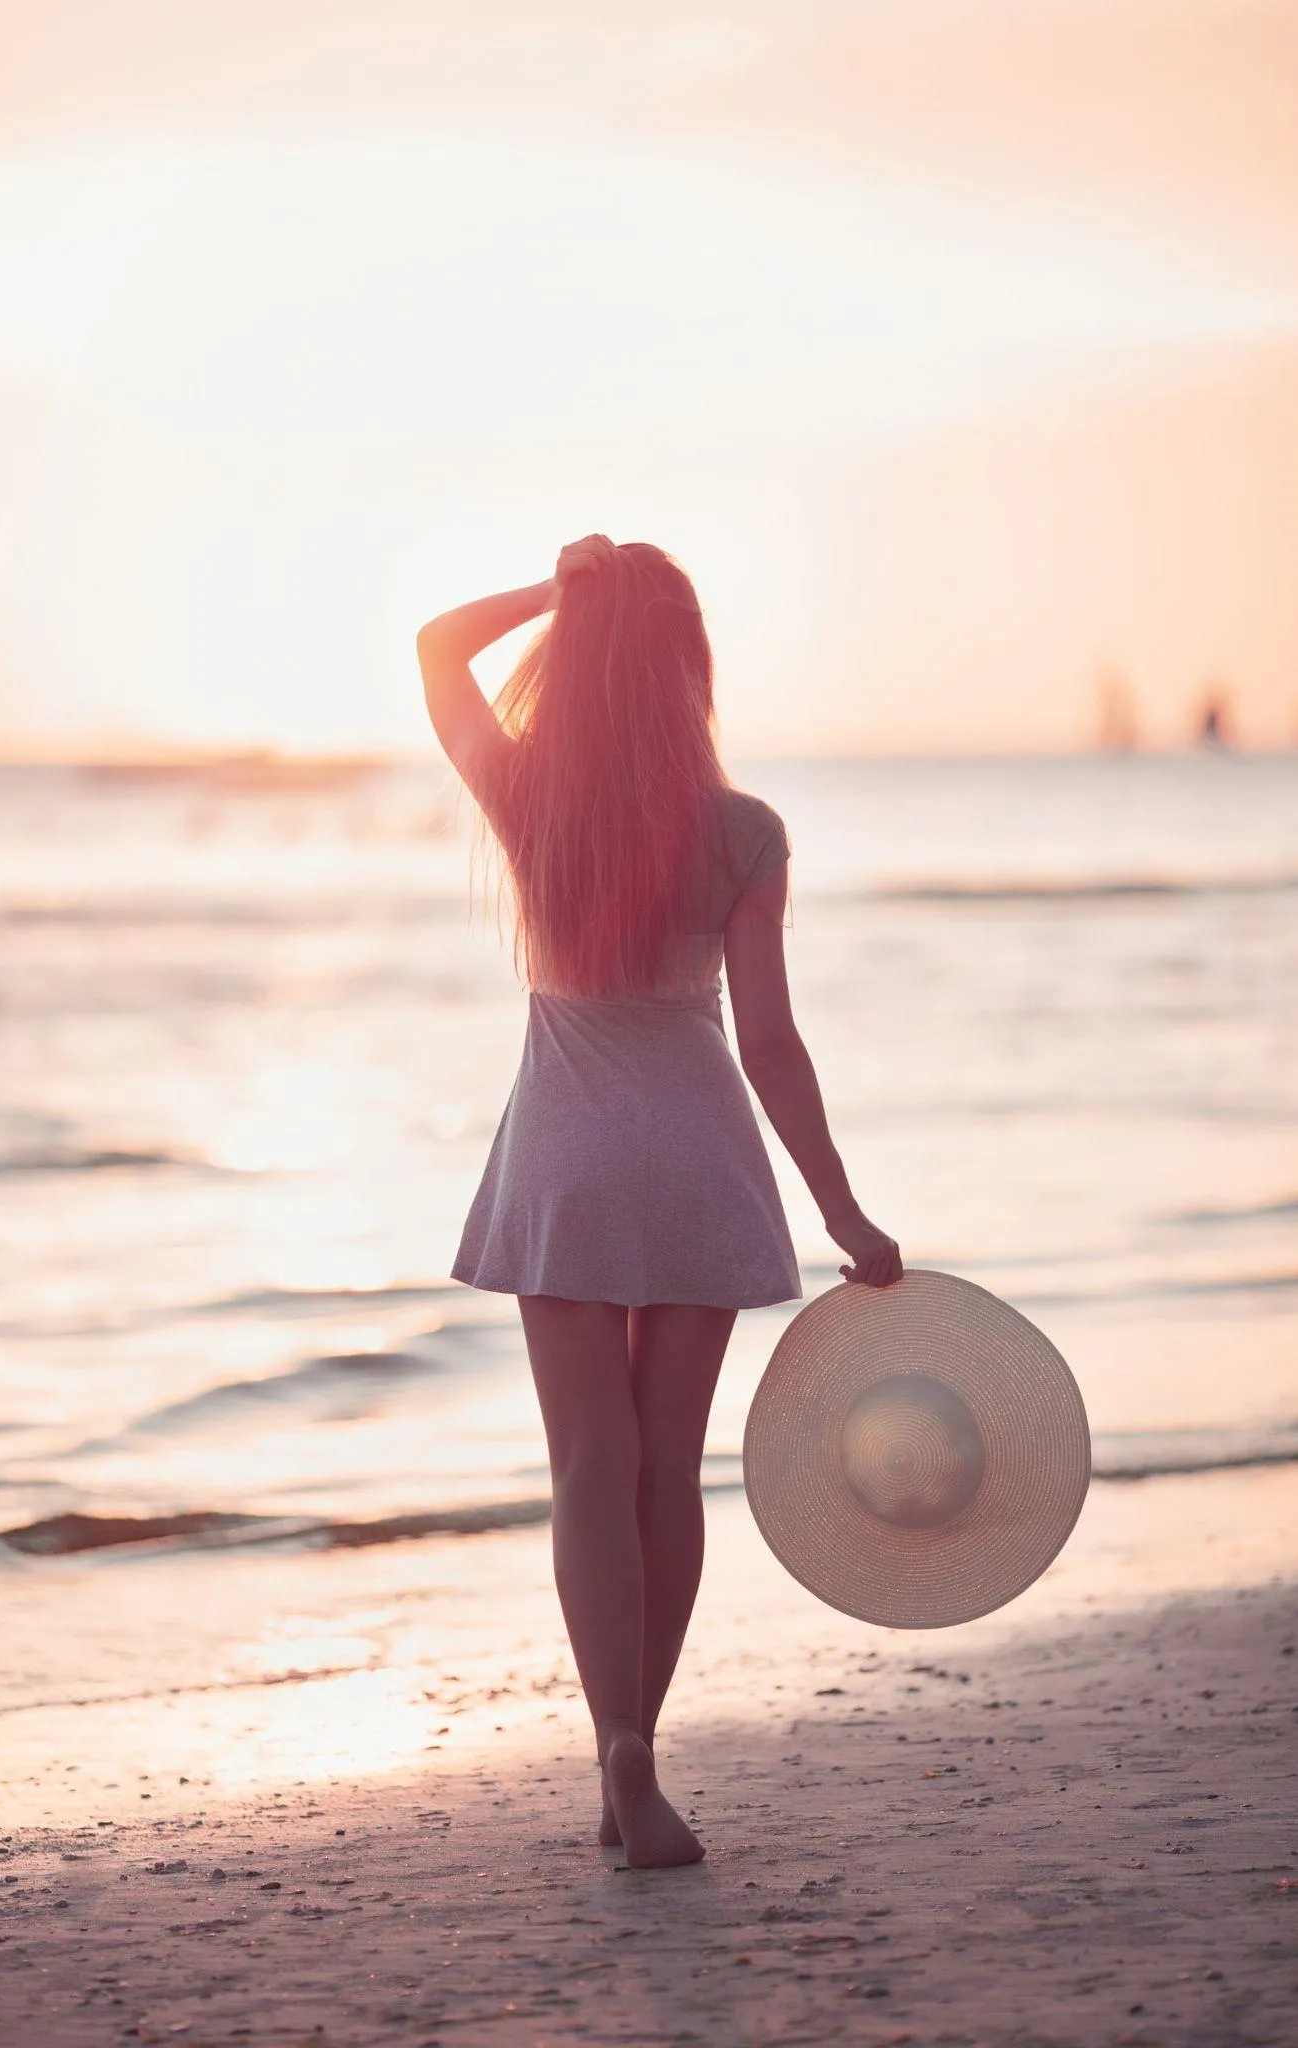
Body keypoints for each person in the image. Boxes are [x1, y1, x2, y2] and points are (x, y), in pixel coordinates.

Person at [417, 533, 902, 1869]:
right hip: (698, 1160)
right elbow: (774, 1046)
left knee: (588, 1468)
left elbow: (435, 648)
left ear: (576, 664)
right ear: (692, 665)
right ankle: (643, 1746)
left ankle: (615, 1742)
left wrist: (549, 593)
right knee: (664, 1476)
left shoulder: (531, 801)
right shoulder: (743, 834)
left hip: (568, 1163)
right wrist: (843, 1215)